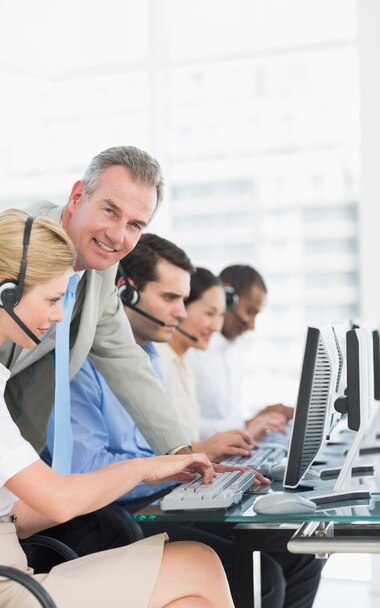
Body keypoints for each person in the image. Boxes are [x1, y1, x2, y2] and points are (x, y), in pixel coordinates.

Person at [44, 235, 320, 608]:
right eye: (171, 298)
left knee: (299, 548)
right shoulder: (81, 364)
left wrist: (196, 465)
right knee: (261, 575)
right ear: (126, 293)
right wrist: (159, 468)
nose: (180, 312)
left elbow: (154, 450)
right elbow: (81, 471)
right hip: (108, 516)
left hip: (155, 499)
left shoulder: (149, 358)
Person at [0, 209, 234, 608]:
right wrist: (148, 467)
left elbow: (19, 514)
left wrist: (168, 466)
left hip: (15, 564)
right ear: (7, 293)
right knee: (198, 563)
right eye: (53, 300)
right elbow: (56, 499)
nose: (59, 317)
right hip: (12, 585)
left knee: (190, 591)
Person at [0, 146, 191, 458]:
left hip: (16, 449)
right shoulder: (17, 245)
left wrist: (179, 452)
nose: (118, 236)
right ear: (77, 197)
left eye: (135, 225)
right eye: (110, 211)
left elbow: (125, 359)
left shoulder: (100, 271)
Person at [186, 264, 294, 441]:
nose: (252, 326)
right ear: (227, 297)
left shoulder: (233, 349)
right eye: (250, 312)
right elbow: (183, 429)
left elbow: (227, 420)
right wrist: (246, 426)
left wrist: (256, 420)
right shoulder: (192, 348)